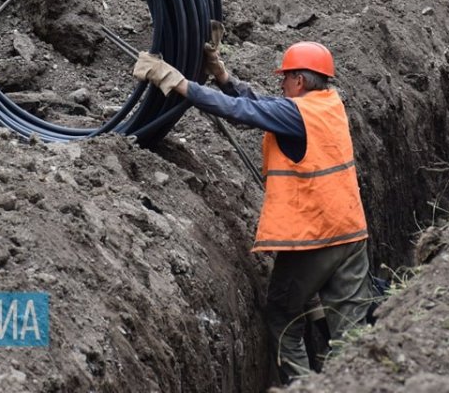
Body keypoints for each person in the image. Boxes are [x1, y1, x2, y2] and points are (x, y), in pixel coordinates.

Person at [132, 40, 375, 382]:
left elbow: (239, 111)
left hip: (314, 238)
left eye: (285, 78)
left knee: (282, 316)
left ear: (300, 82)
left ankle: (303, 387)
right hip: (351, 233)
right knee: (351, 333)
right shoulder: (330, 105)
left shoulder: (295, 113)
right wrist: (222, 76)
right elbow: (262, 105)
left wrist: (179, 83)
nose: (282, 84)